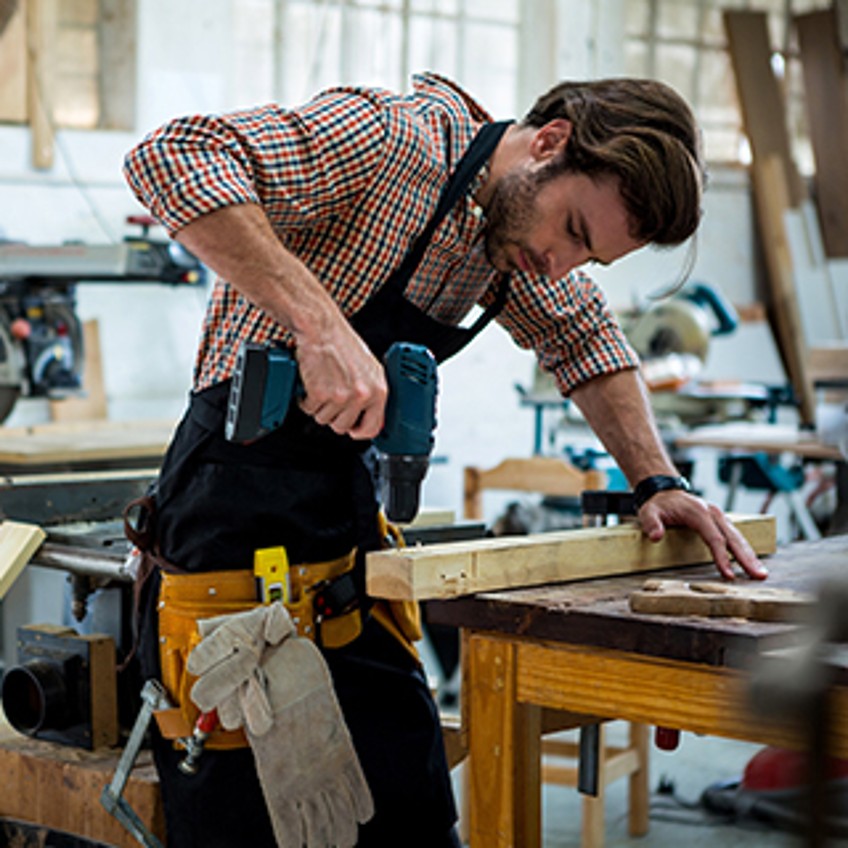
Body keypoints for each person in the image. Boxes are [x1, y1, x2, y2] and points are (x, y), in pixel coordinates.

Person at [122, 71, 768, 848]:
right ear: (550, 143)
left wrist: (656, 481)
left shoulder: (509, 240)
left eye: (586, 259)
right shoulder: (394, 138)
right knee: (240, 818)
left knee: (412, 808)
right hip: (223, 522)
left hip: (344, 542)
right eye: (572, 231)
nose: (559, 265)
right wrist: (318, 326)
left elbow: (585, 339)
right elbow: (172, 157)